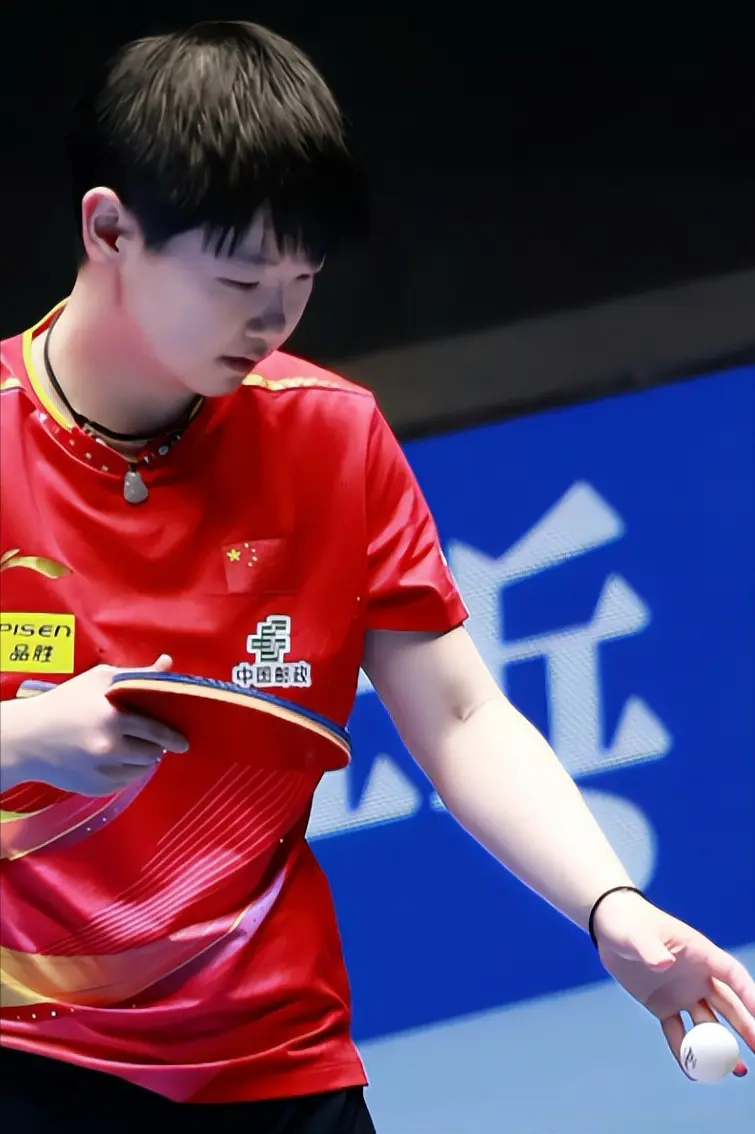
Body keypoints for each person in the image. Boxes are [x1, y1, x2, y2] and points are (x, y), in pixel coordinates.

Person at [0, 18, 753, 1134]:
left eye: (300, 280)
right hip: (24, 1059)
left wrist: (610, 905)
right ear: (109, 228)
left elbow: (458, 714)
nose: (273, 320)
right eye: (239, 278)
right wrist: (22, 741)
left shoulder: (329, 436)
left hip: (274, 1062)